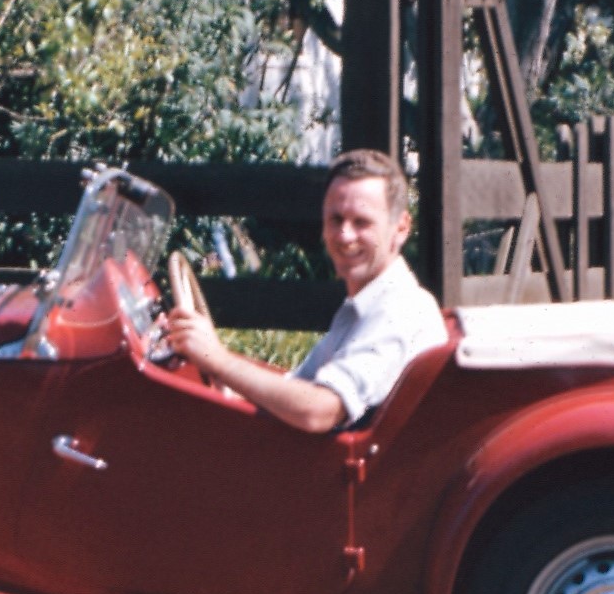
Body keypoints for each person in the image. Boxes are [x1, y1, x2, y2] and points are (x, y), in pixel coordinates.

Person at [164, 148, 449, 433]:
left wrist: (218, 360)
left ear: (400, 228)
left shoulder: (399, 312)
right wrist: (207, 354)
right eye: (335, 220)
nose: (345, 236)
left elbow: (318, 411)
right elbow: (296, 388)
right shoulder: (366, 304)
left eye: (361, 222)